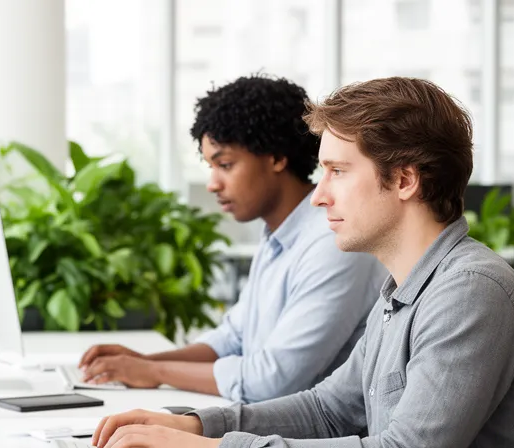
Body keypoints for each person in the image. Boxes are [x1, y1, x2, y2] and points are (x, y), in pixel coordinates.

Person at [87, 77, 514, 448]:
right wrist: (197, 426)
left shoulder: (469, 292)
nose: (318, 198)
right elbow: (328, 411)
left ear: (404, 180)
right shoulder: (403, 289)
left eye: (337, 172)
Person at [77, 75, 385, 404]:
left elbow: (273, 379)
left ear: (277, 158)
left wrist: (155, 373)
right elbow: (233, 338)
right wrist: (141, 363)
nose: (212, 184)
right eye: (210, 167)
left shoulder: (332, 241)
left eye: (225, 165)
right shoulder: (278, 236)